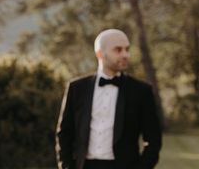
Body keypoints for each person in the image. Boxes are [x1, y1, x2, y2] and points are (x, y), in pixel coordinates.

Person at [55, 29, 162, 169]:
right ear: (100, 54)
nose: (125, 55)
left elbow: (153, 140)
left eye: (127, 49)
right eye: (118, 50)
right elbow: (64, 133)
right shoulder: (76, 88)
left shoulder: (141, 91)